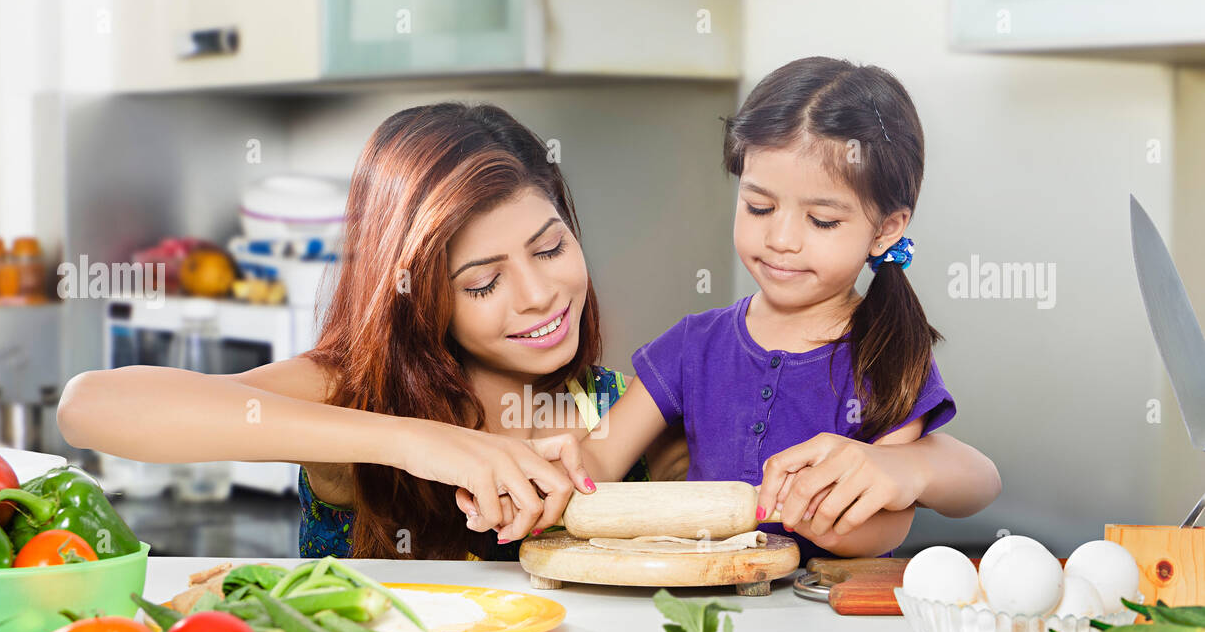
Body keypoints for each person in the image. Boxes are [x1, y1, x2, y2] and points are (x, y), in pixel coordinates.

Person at [57, 103, 686, 561]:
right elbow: (90, 408)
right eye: (482, 285)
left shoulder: (629, 408)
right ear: (416, 296)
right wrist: (418, 442)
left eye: (550, 249)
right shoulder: (352, 390)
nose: (538, 295)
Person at [472, 57, 1001, 560]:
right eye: (759, 207)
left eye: (821, 221)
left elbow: (919, 510)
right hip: (706, 597)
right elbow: (600, 460)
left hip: (826, 617)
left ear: (885, 229)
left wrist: (844, 514)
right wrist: (539, 479)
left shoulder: (886, 352)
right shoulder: (692, 346)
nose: (781, 239)